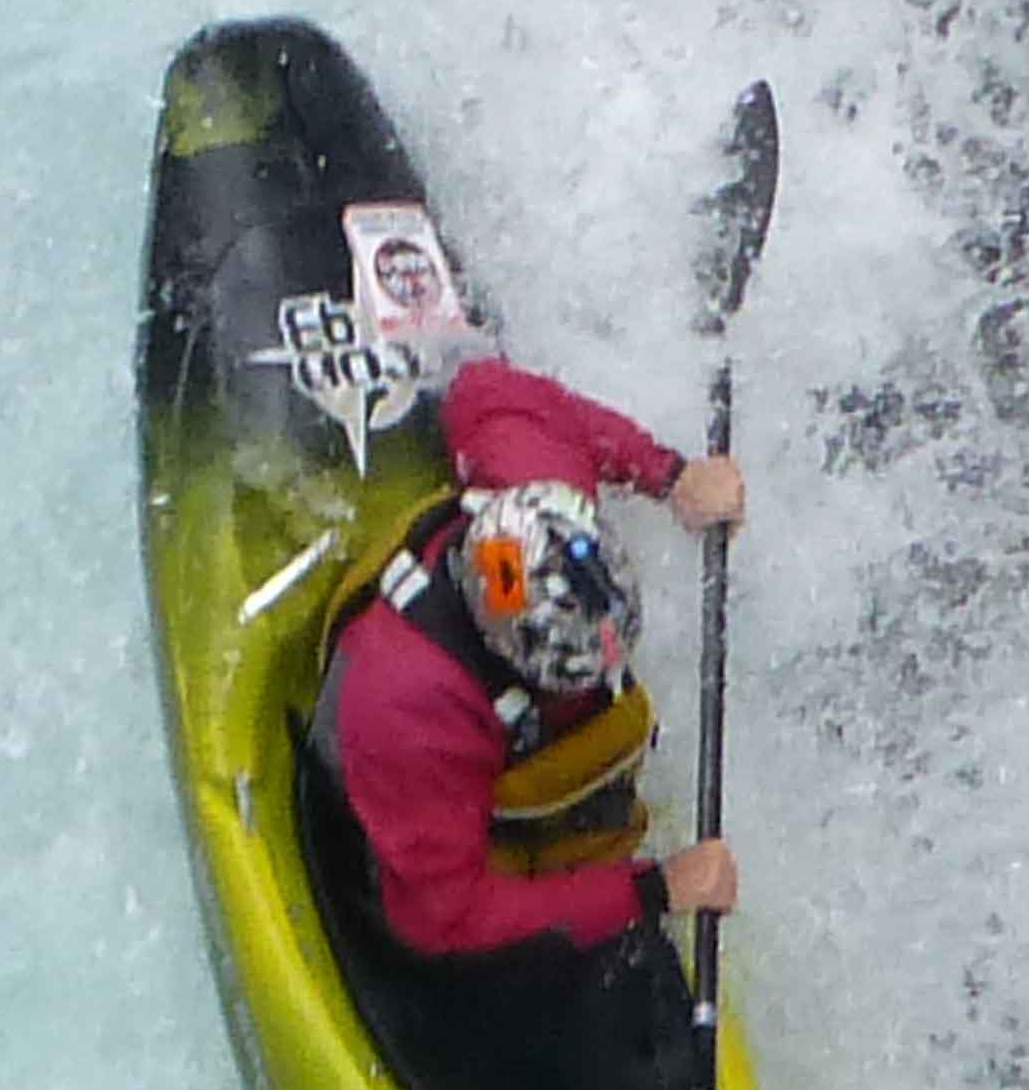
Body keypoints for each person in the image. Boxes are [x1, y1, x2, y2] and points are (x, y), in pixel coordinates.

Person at [312, 352, 748, 963]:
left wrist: (671, 475)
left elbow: (489, 389)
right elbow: (442, 917)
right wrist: (652, 889)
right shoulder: (410, 713)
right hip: (398, 816)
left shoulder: (539, 485)